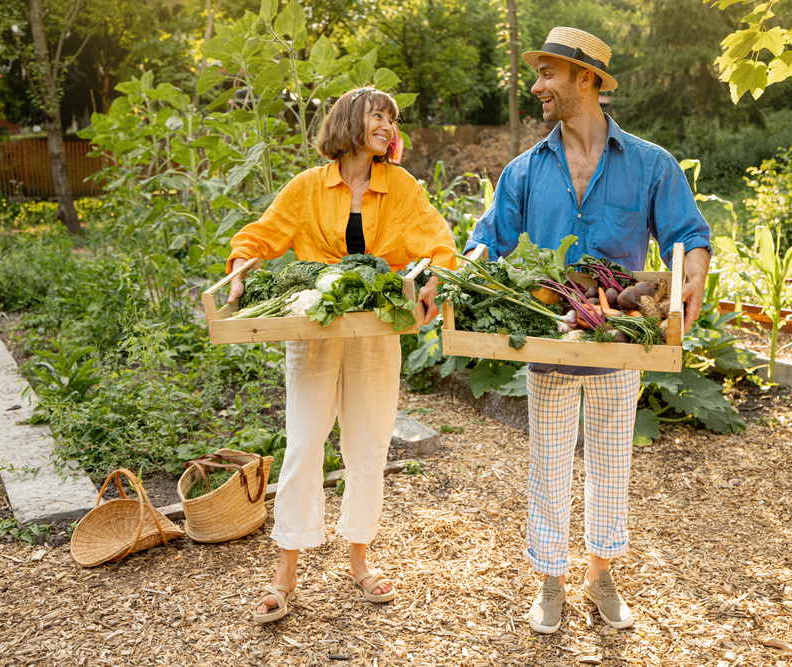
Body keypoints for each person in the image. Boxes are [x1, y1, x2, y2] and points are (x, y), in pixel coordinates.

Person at [465, 27, 712, 633]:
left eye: (548, 73)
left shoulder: (651, 165)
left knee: (609, 467)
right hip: (549, 338)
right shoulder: (524, 172)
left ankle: (600, 575)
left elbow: (690, 234)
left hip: (617, 341)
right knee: (547, 465)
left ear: (587, 81)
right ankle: (550, 580)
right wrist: (462, 274)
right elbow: (486, 242)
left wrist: (692, 276)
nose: (536, 84)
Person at [226, 87, 457, 624]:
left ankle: (360, 559)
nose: (389, 126)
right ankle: (286, 572)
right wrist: (240, 266)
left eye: (393, 120)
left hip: (377, 330)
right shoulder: (307, 188)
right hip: (314, 330)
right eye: (379, 116)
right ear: (353, 121)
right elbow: (261, 236)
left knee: (368, 446)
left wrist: (433, 281)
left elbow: (439, 245)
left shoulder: (400, 187)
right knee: (304, 445)